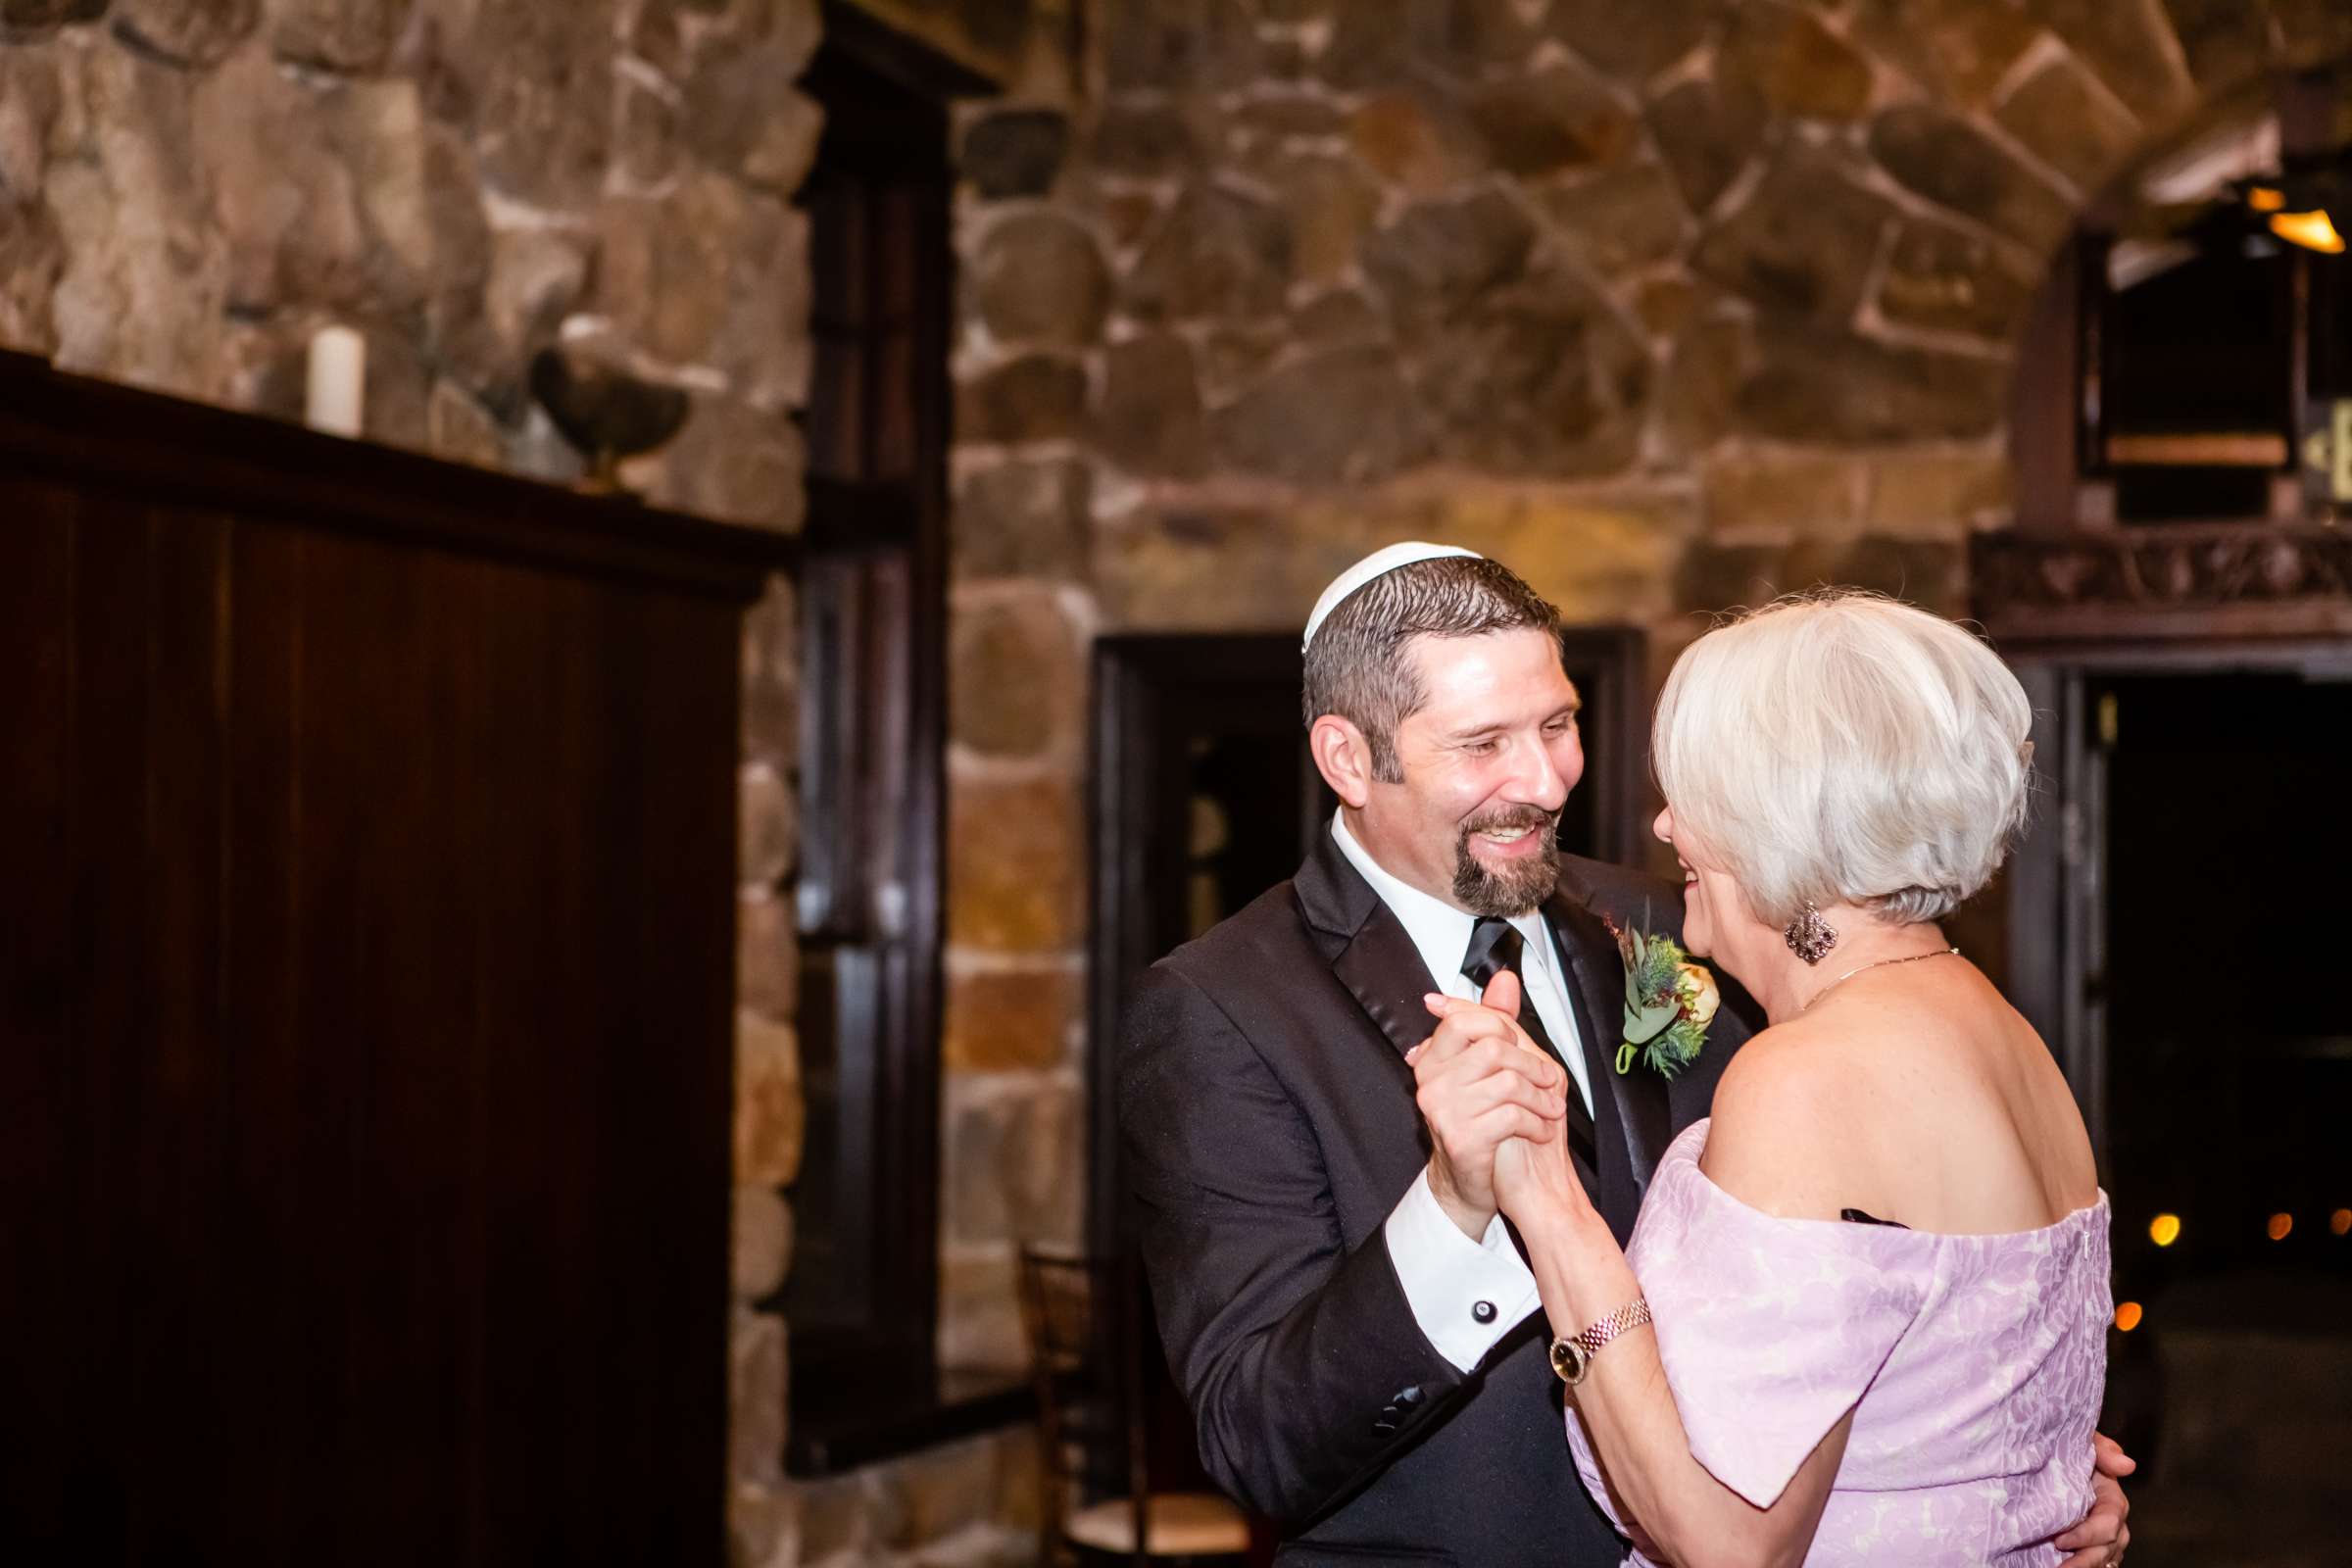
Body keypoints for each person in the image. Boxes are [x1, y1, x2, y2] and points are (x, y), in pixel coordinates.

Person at [1119, 547, 2132, 1564]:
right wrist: (1452, 1208)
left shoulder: (1666, 924)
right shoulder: (1222, 1009)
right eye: (1485, 742)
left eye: (1558, 723)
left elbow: (1848, 1267)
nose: (1549, 777)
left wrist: (1990, 1462)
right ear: (1348, 758)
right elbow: (1254, 1440)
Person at [1416, 590, 2127, 1566]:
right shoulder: (2011, 1040)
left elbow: (1730, 1543)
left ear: (1777, 816)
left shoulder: (1806, 1076)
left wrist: (1547, 1202)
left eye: (1698, 794)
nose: (1666, 827)